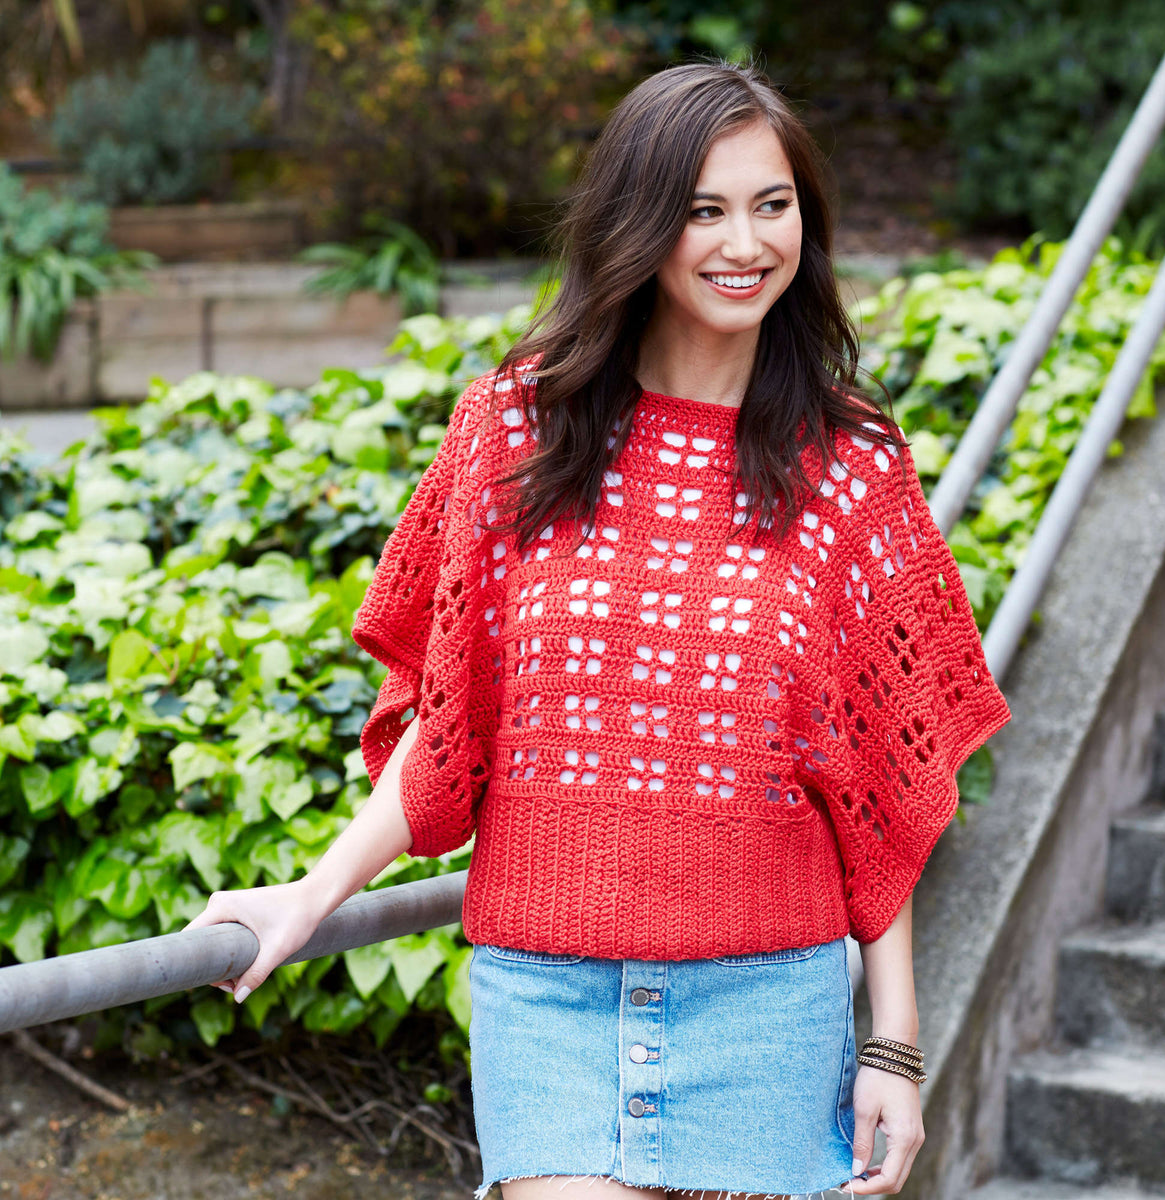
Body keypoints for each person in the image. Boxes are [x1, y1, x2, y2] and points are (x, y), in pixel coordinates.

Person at [186, 60, 1012, 1200]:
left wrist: (895, 1046)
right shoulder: (514, 426)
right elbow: (454, 720)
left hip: (771, 1004)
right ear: (638, 223)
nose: (743, 242)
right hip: (548, 995)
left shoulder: (851, 467)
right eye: (702, 209)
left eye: (772, 206)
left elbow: (875, 790)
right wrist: (310, 896)